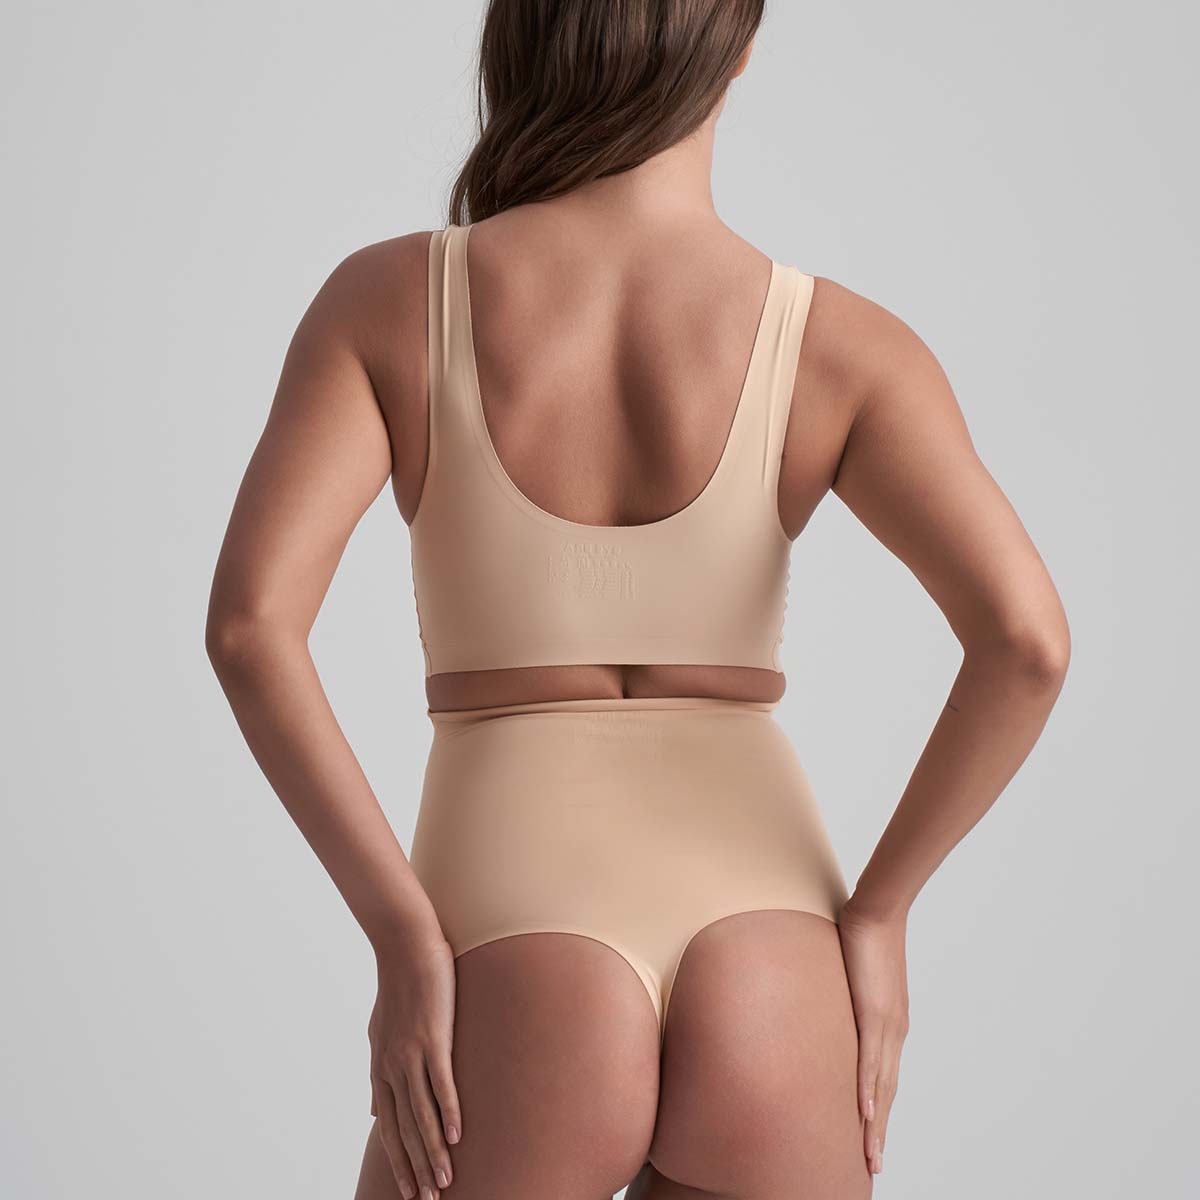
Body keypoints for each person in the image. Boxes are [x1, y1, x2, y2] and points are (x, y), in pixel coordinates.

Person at [206, 3, 1070, 1198]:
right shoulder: (842, 344)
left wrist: (403, 934)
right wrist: (879, 915)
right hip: (775, 946)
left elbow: (252, 628)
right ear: (740, 48)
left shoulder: (394, 300)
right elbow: (1027, 641)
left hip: (514, 935)